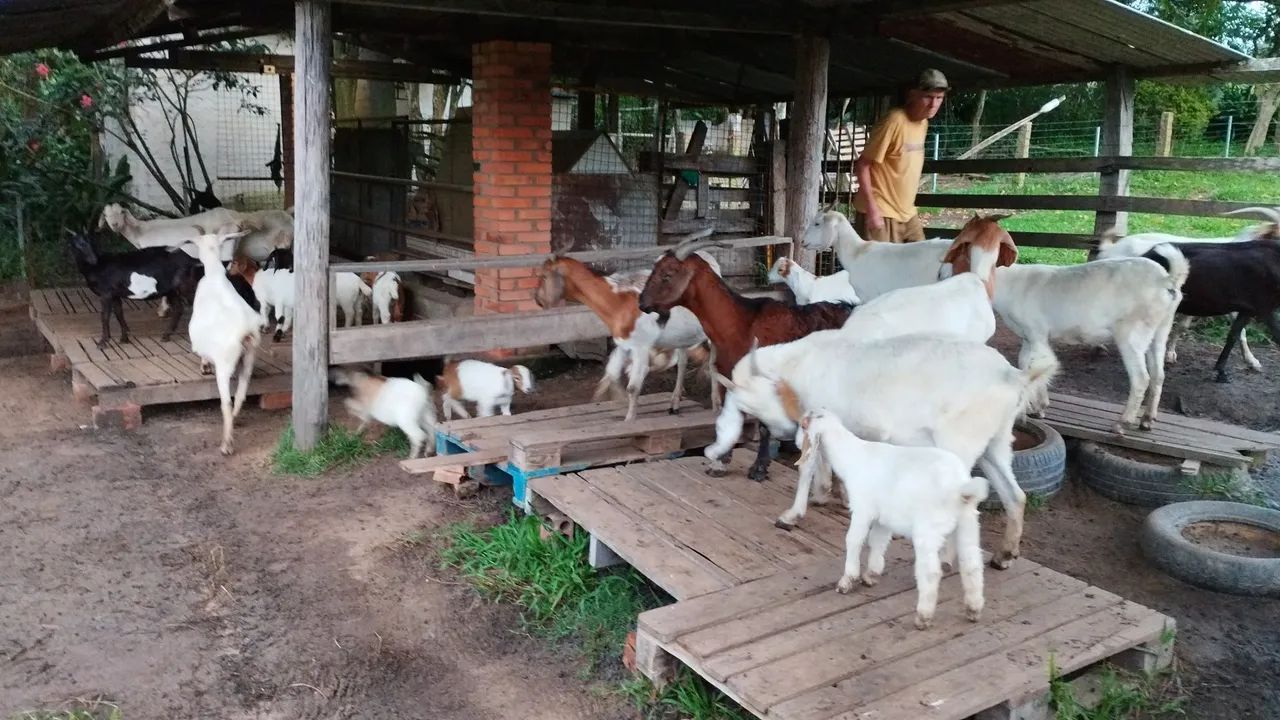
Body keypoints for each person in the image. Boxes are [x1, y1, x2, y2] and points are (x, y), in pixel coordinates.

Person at [852, 68, 949, 243]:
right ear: (912, 94)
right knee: (880, 270)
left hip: (907, 213)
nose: (933, 104)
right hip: (881, 212)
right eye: (928, 97)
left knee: (922, 262)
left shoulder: (923, 123)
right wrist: (872, 209)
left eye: (939, 98)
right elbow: (862, 165)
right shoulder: (894, 121)